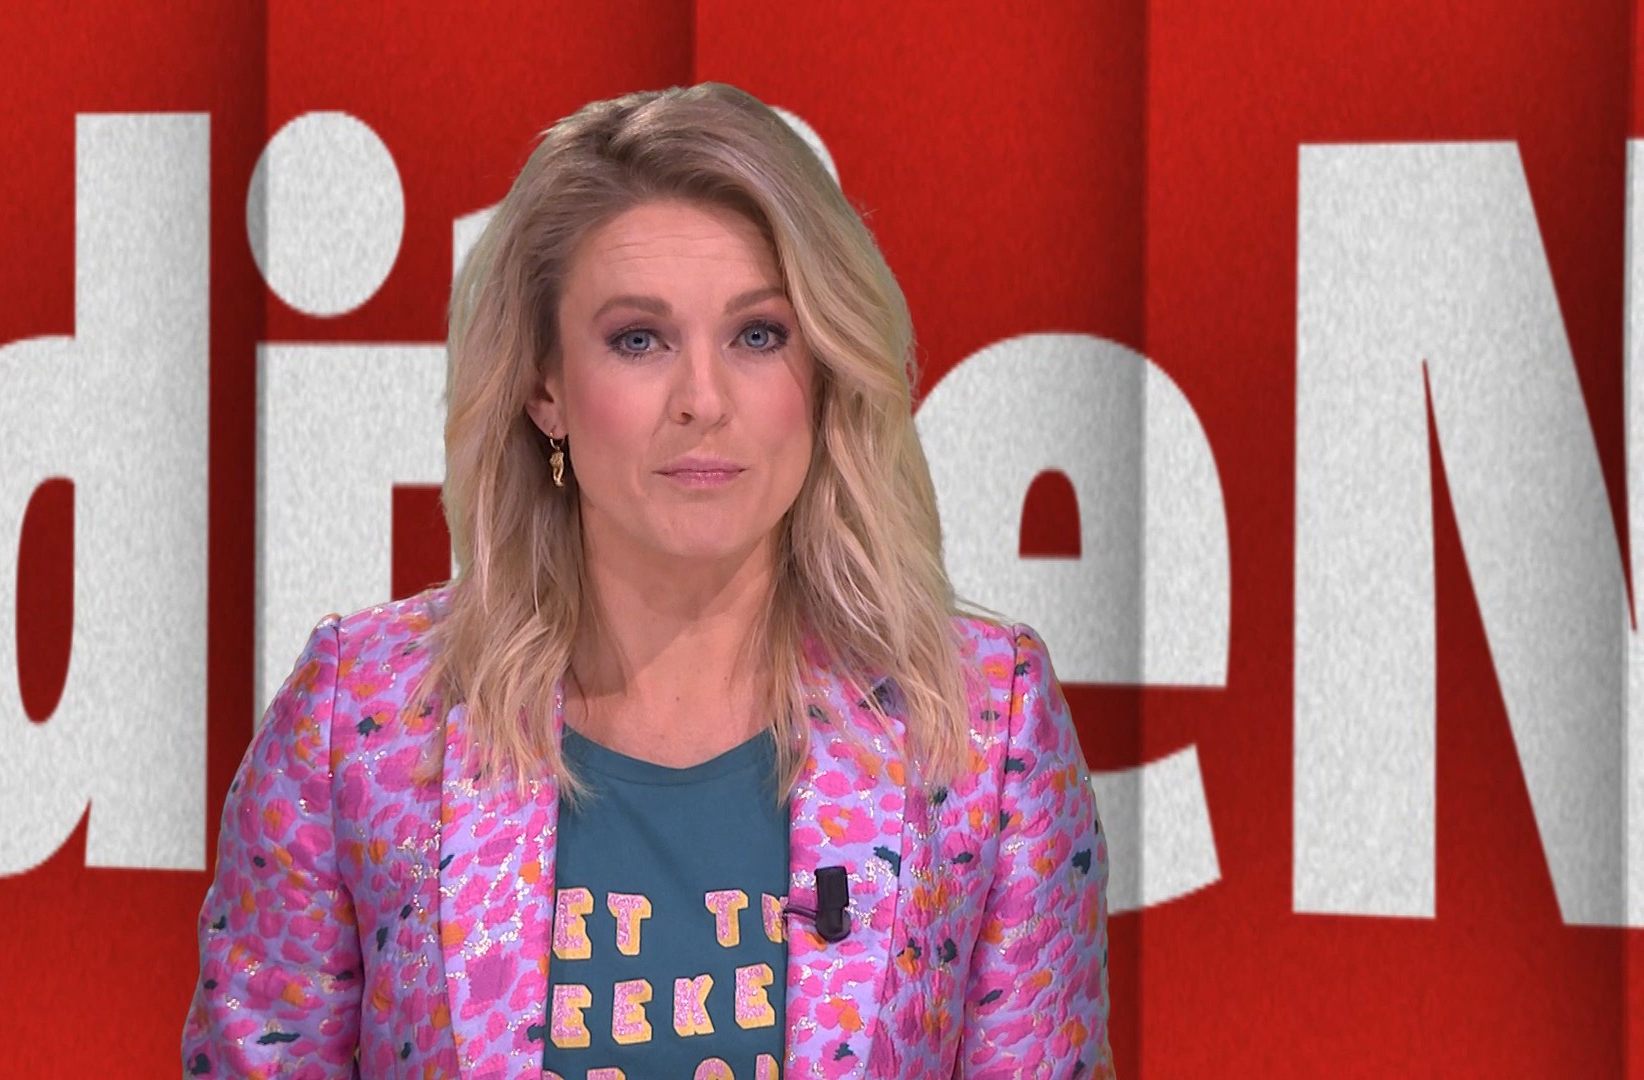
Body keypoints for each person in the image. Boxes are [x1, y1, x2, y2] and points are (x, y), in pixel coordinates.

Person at [181, 81, 1114, 1080]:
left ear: (826, 371)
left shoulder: (981, 730)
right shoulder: (362, 722)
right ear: (544, 386)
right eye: (639, 339)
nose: (702, 399)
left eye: (759, 335)